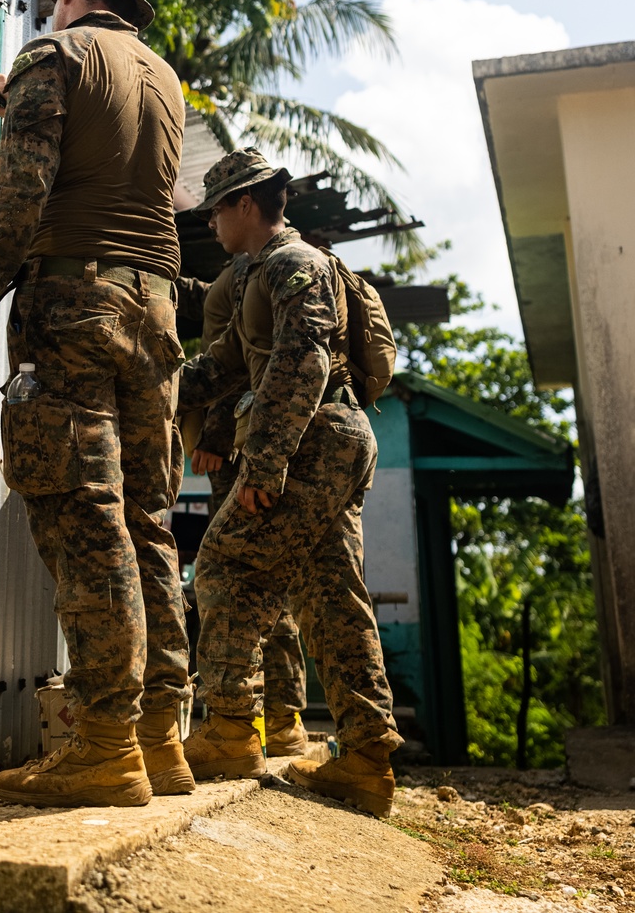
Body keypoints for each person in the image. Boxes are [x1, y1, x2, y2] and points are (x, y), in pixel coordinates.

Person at [0, 0, 193, 809]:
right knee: (145, 519)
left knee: (83, 515)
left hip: (75, 302)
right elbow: (107, 156)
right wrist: (18, 102)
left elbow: (25, 189)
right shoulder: (164, 78)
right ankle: (161, 739)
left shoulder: (54, 53)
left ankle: (103, 744)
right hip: (155, 314)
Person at [176, 149, 402, 818]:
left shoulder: (294, 264)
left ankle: (231, 728)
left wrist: (267, 459)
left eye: (218, 208)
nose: (213, 221)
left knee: (221, 566)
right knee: (331, 593)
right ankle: (366, 755)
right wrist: (160, 387)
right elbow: (224, 362)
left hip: (314, 441)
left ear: (246, 204)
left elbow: (305, 357)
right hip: (327, 437)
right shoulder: (255, 275)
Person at [176, 261, 309, 757]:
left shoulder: (255, 277)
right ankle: (283, 717)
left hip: (242, 450)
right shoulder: (244, 278)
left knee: (240, 575)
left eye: (218, 210)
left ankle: (249, 722)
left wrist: (212, 435)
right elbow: (197, 295)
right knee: (271, 577)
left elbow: (238, 366)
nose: (211, 221)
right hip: (259, 446)